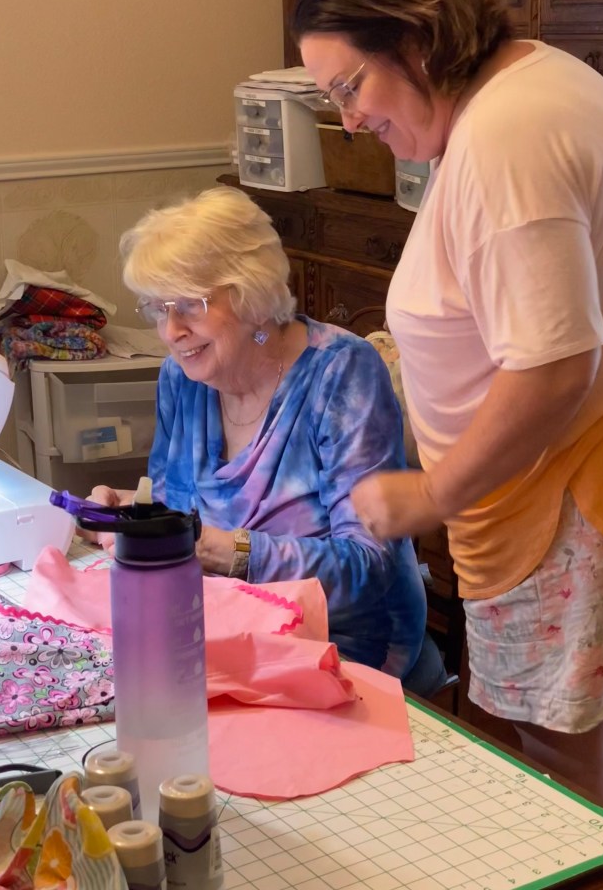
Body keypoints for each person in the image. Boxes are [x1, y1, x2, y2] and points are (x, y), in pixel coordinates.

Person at [293, 0, 603, 851]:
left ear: (416, 36)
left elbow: (557, 365)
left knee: (558, 755)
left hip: (580, 493)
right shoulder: (518, 97)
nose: (350, 119)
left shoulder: (511, 134)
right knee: (591, 709)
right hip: (580, 485)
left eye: (350, 87)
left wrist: (431, 492)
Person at [84, 185, 428, 686]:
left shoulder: (342, 374)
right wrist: (135, 515)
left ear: (253, 295)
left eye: (189, 305)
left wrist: (226, 551)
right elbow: (175, 504)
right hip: (220, 627)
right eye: (158, 309)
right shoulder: (183, 377)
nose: (171, 330)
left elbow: (367, 569)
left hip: (340, 646)